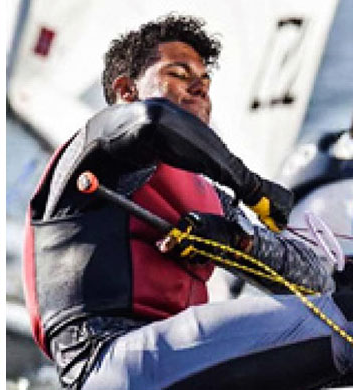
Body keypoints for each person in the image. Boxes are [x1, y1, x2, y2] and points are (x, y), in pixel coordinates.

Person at [22, 15, 351, 389]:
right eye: (179, 73)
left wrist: (237, 241)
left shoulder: (209, 195)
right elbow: (155, 121)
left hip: (179, 363)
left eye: (205, 81)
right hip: (109, 363)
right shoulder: (93, 152)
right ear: (127, 90)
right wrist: (253, 187)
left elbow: (313, 283)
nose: (200, 88)